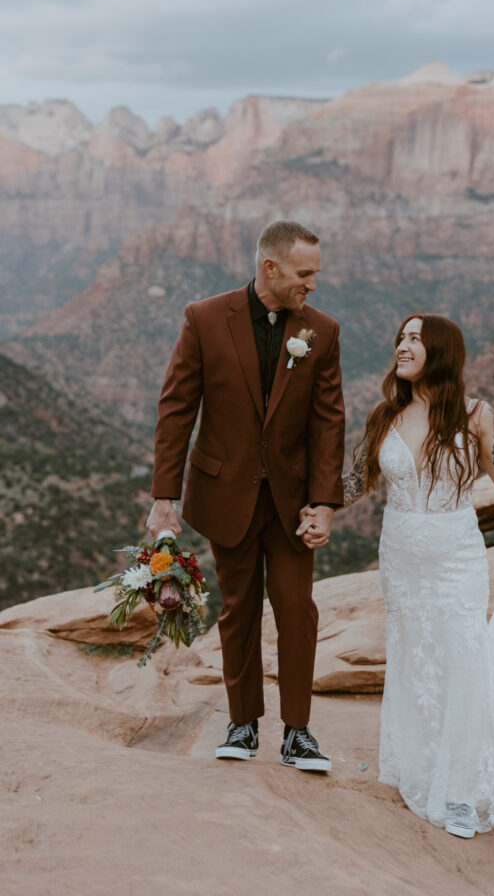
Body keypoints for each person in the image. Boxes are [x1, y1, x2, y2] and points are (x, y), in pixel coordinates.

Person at [300, 313, 494, 835]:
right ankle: (419, 762)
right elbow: (356, 478)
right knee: (413, 656)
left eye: (414, 339)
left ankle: (461, 790)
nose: (401, 346)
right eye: (400, 338)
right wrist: (319, 509)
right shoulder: (386, 414)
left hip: (456, 556)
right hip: (401, 558)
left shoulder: (476, 415)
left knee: (461, 657)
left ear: (441, 351)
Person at [148, 220, 345, 771]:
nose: (313, 285)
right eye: (305, 274)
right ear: (270, 269)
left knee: (295, 610)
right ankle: (243, 722)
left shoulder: (323, 332)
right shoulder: (204, 318)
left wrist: (325, 503)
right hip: (224, 493)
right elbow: (176, 408)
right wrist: (165, 495)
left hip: (293, 505)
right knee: (238, 610)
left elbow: (329, 423)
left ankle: (298, 732)